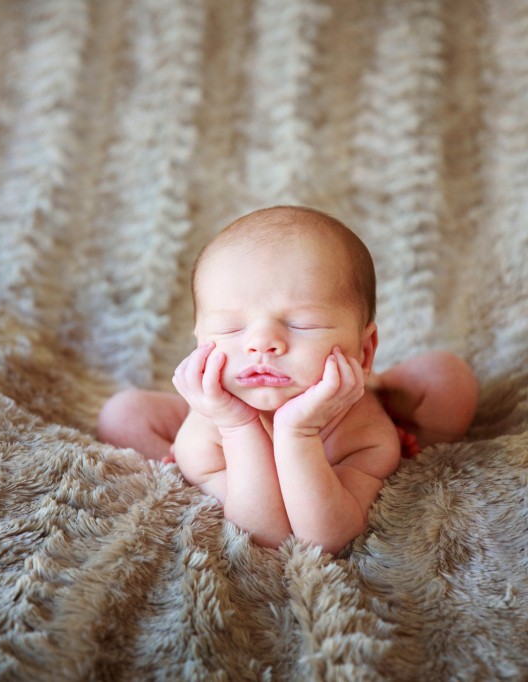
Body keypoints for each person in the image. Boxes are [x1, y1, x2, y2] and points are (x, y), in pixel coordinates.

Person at [97, 206, 478, 553]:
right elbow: (265, 530)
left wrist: (300, 431)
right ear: (198, 341)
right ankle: (201, 470)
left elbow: (325, 536)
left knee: (448, 381)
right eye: (230, 328)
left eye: (301, 324)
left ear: (363, 351)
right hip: (225, 411)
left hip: (344, 409)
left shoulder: (363, 432)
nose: (261, 343)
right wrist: (236, 422)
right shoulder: (206, 435)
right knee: (122, 416)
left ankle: (378, 387)